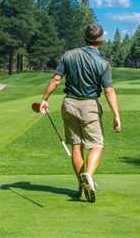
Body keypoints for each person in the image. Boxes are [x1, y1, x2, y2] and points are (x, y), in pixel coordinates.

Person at [39, 23, 121, 203]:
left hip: (69, 104)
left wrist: (45, 99)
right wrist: (116, 115)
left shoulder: (68, 55)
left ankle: (81, 185)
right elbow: (108, 91)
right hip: (89, 106)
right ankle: (88, 177)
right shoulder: (103, 63)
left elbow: (56, 79)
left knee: (76, 146)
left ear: (84, 37)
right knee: (97, 145)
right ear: (101, 40)